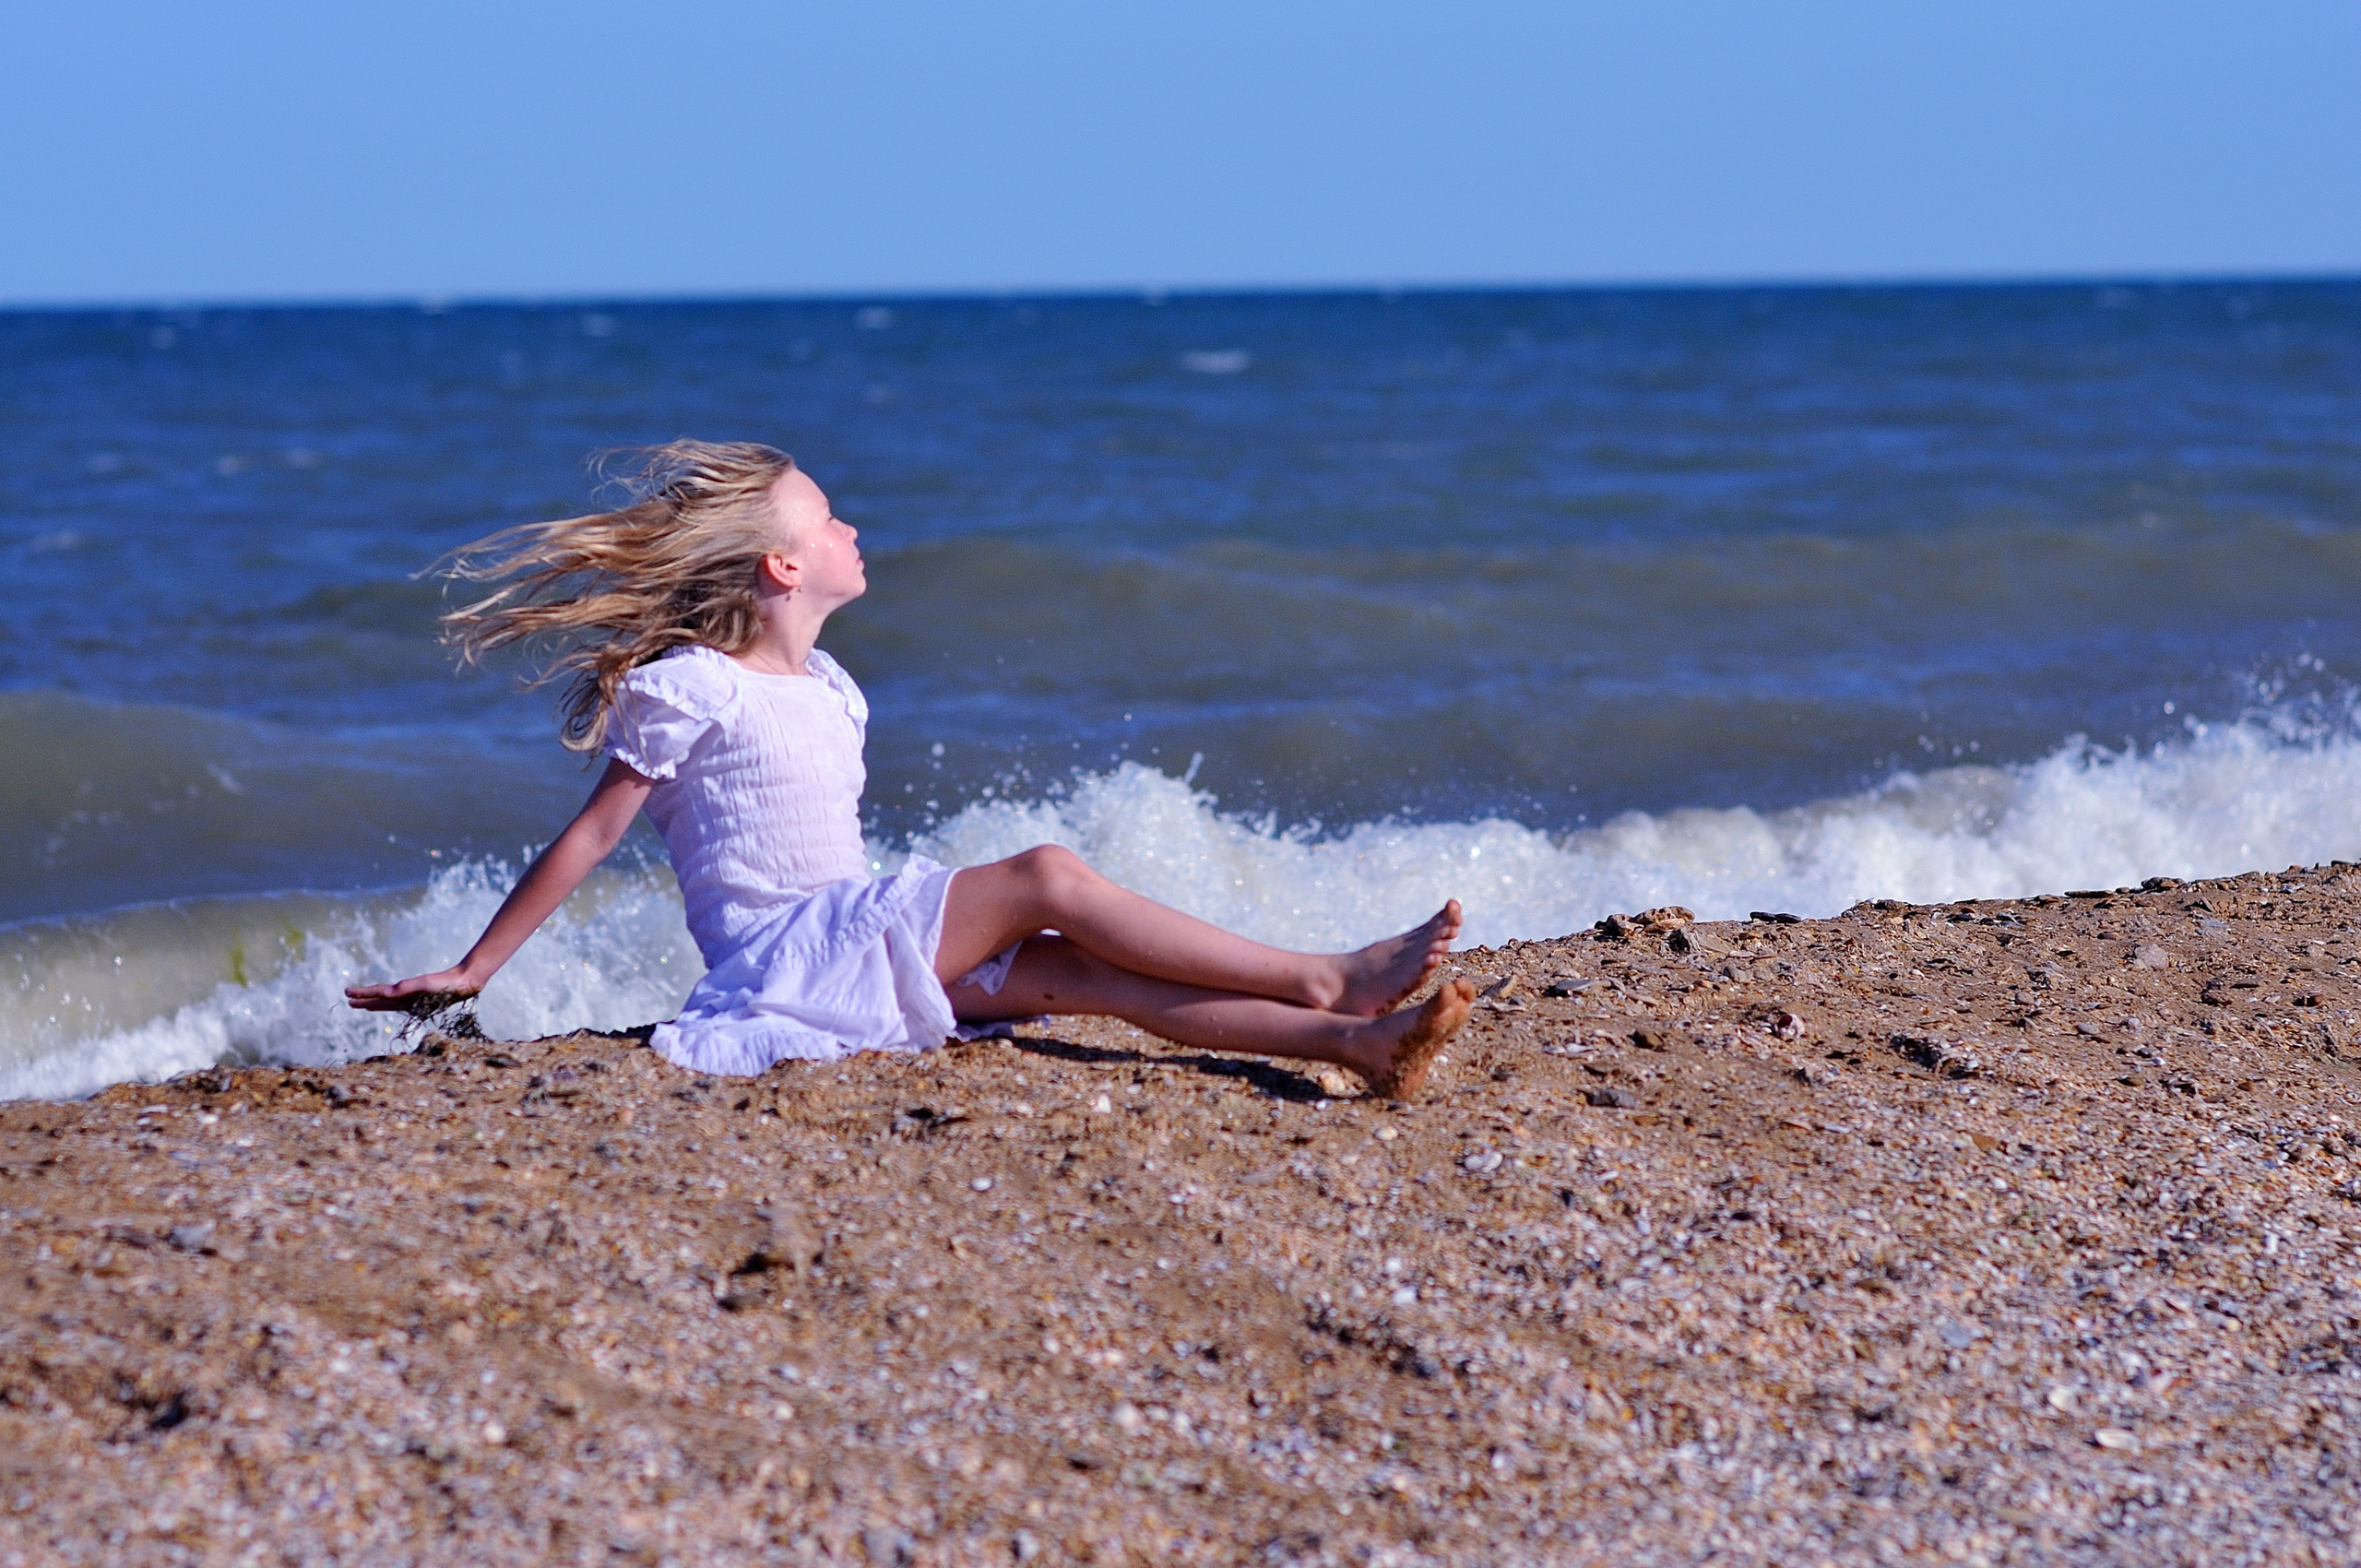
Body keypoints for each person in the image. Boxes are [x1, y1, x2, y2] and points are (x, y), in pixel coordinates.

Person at [346, 441, 1474, 1098]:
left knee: (1075, 973)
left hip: (849, 943)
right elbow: (590, 835)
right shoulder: (694, 684)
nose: (854, 528)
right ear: (784, 563)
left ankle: (1353, 1044)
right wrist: (474, 968)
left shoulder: (831, 687)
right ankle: (1322, 977)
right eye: (831, 519)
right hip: (788, 954)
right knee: (1043, 873)